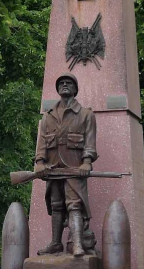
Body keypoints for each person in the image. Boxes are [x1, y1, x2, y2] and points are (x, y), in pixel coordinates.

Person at [34, 73, 97, 257]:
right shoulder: (48, 117)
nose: (64, 85)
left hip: (74, 168)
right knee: (56, 205)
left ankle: (77, 244)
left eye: (69, 83)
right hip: (52, 169)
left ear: (75, 88)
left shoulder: (86, 114)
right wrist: (39, 162)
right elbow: (42, 143)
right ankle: (55, 243)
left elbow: (90, 143)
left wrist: (86, 162)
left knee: (74, 205)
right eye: (61, 83)